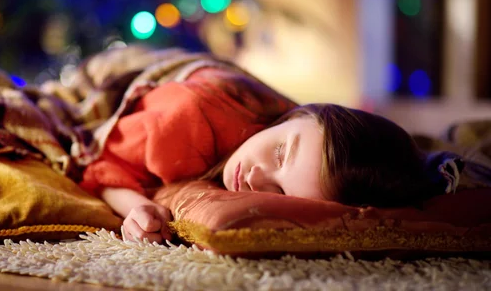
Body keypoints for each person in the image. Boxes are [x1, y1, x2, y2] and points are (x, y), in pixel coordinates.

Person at [77, 56, 459, 245]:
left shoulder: (298, 132)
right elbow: (97, 165)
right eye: (279, 154)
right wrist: (137, 206)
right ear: (298, 114)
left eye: (278, 193)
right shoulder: (185, 121)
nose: (256, 178)